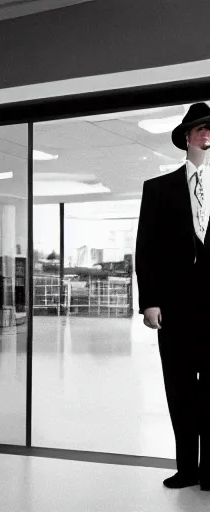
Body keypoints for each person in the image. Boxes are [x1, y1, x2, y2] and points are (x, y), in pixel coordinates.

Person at [136, 102, 210, 490]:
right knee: (180, 387)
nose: (206, 135)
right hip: (176, 309)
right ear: (186, 136)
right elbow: (145, 249)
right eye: (199, 129)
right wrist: (149, 300)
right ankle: (188, 468)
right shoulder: (159, 189)